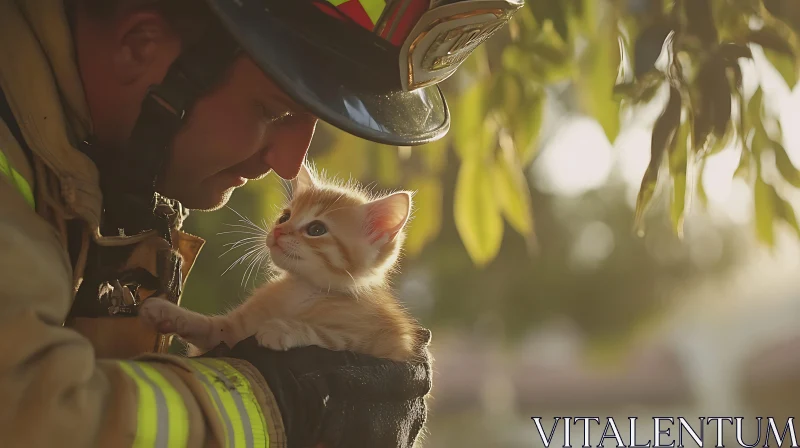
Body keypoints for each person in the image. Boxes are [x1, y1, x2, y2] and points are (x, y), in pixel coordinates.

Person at [0, 0, 522, 447]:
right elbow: (31, 412)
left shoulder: (88, 163)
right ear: (140, 45)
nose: (291, 164)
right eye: (274, 111)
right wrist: (271, 402)